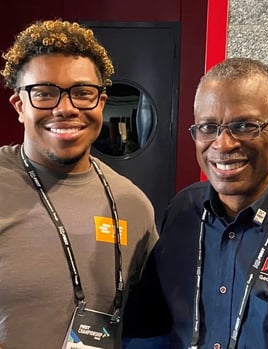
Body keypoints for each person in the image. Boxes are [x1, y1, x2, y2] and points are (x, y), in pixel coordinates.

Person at [124, 57, 268, 348]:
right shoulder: (185, 210)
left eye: (244, 125)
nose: (223, 144)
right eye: (208, 127)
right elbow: (150, 324)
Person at [0, 19, 158, 349]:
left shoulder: (132, 204)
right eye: (44, 93)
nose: (65, 108)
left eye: (82, 93)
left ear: (100, 102)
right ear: (19, 106)